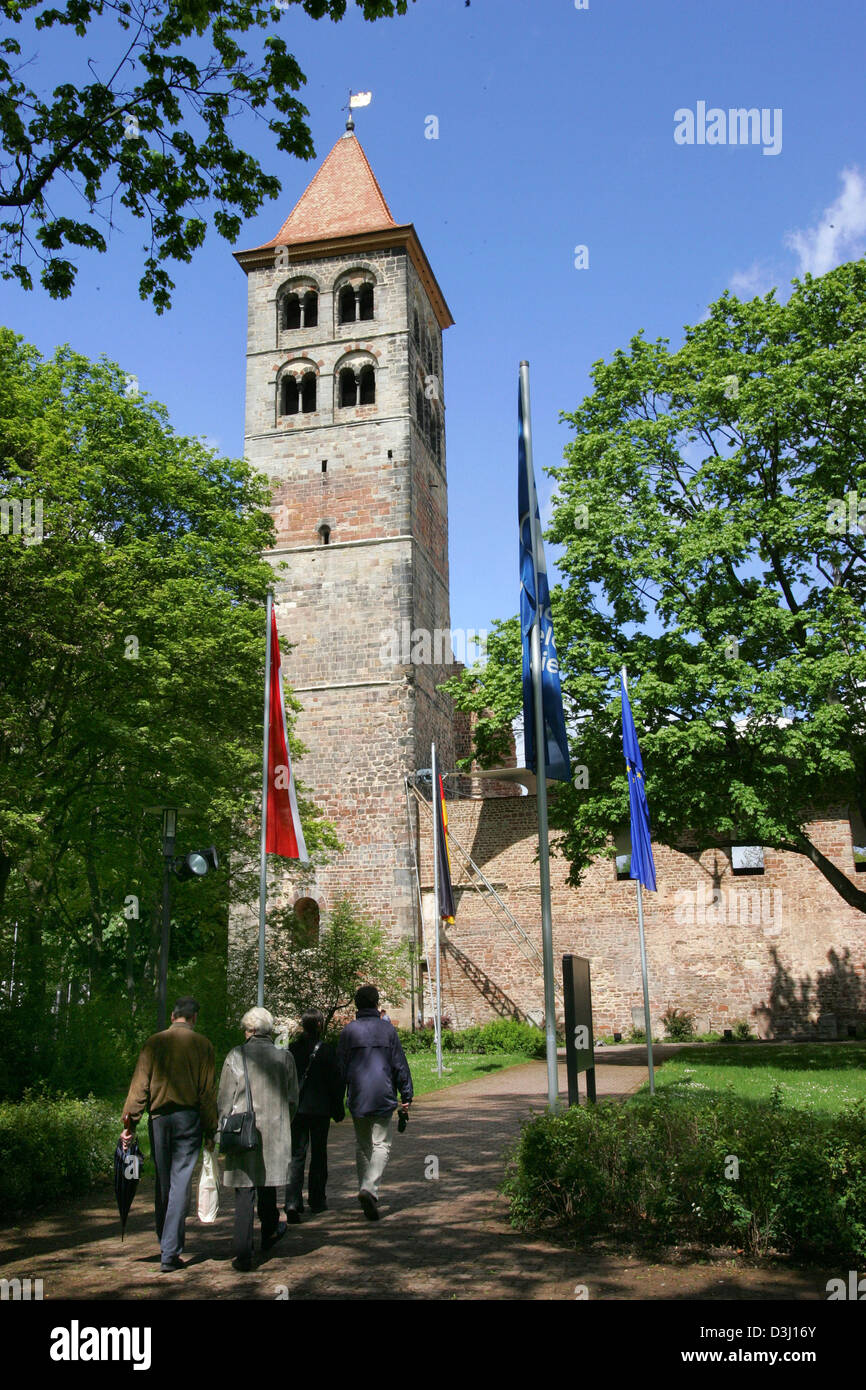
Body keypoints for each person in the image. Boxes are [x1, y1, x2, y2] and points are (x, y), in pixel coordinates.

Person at [120, 995, 217, 1273]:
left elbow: (139, 1086)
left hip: (159, 1119)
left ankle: (166, 1241)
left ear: (173, 1016)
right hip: (189, 1119)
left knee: (164, 1181)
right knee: (180, 1182)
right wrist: (211, 1129)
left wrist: (129, 1125)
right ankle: (170, 1250)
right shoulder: (203, 1045)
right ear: (194, 1018)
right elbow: (206, 1093)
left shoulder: (154, 1042)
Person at [218, 1006, 299, 1272]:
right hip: (274, 1130)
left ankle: (242, 1249)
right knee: (267, 1182)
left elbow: (225, 1099)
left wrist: (221, 1128)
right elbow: (292, 1099)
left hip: (242, 1129)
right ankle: (269, 1231)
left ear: (251, 1030)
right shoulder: (284, 1058)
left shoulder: (235, 1056)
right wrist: (284, 1121)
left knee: (245, 1188)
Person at [337, 984, 413, 1221]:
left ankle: (365, 1190)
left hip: (358, 1095)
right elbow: (399, 1064)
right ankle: (369, 1188)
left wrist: (337, 1099)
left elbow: (340, 1068)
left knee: (362, 1146)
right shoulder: (387, 1030)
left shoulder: (349, 1032)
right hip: (382, 1093)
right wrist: (406, 1094)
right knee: (381, 1144)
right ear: (376, 1004)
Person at [285, 1010, 344, 1221]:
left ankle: (292, 1201)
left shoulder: (292, 1049)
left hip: (298, 1110)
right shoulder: (327, 1051)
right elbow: (336, 1082)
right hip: (320, 1110)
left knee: (296, 1155)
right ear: (319, 1025)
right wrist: (338, 1108)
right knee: (319, 1155)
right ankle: (317, 1200)